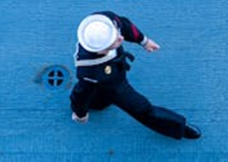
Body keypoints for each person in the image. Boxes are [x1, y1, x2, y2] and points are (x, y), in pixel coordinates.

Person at [69, 11, 201, 140]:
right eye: (114, 42)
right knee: (142, 109)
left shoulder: (105, 22)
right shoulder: (89, 71)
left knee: (102, 100)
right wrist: (80, 113)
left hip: (112, 75)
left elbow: (125, 25)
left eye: (115, 33)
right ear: (101, 51)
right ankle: (178, 127)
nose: (121, 38)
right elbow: (81, 93)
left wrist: (143, 41)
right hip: (114, 87)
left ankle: (178, 126)